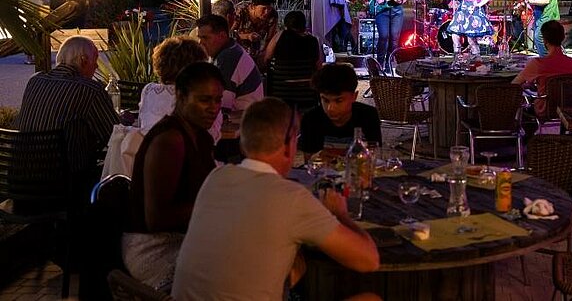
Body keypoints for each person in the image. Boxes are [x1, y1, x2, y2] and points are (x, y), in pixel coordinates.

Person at [172, 98, 380, 301]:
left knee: (296, 264)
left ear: (244, 145)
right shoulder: (292, 198)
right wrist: (340, 214)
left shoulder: (216, 178)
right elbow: (368, 261)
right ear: (289, 146)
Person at [123, 62, 223, 291]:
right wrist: (216, 204)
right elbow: (157, 218)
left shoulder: (199, 135)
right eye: (204, 100)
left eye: (218, 100)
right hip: (154, 246)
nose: (214, 108)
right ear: (181, 96)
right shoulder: (170, 141)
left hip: (186, 236)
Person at [15, 35, 118, 174]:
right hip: (65, 182)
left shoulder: (35, 80)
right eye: (95, 60)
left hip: (21, 177)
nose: (96, 66)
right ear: (83, 60)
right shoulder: (89, 89)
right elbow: (114, 136)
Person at [138, 35, 219, 136]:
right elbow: (212, 136)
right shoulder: (199, 98)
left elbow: (142, 124)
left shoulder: (149, 91)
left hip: (151, 149)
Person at [299, 63, 381, 158]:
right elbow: (309, 161)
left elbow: (375, 155)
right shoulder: (311, 118)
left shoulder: (368, 115)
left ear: (354, 96)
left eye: (339, 101)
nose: (330, 108)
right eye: (325, 100)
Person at [511, 20, 572, 118]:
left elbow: (514, 85)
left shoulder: (537, 64)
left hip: (545, 111)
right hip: (570, 112)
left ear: (544, 40)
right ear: (562, 38)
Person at [196, 14, 264, 116]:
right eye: (200, 38)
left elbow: (220, 105)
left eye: (205, 38)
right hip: (247, 118)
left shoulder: (228, 58)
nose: (200, 43)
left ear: (222, 36)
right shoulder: (230, 50)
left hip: (245, 122)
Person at [364, 0, 408, 70]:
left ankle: (389, 62)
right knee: (383, 36)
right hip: (381, 10)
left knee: (394, 39)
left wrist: (401, 0)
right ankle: (380, 63)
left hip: (396, 11)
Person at [235, 0, 279, 66]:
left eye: (269, 8)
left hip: (259, 54)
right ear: (253, 6)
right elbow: (229, 35)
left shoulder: (272, 15)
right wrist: (247, 36)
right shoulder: (240, 13)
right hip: (239, 55)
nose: (267, 12)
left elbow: (270, 38)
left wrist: (265, 53)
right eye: (264, 8)